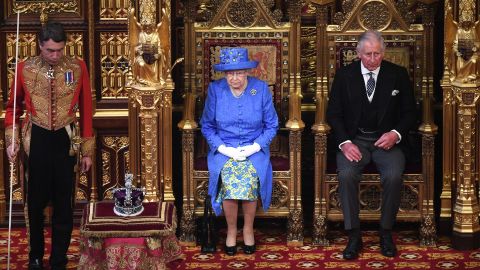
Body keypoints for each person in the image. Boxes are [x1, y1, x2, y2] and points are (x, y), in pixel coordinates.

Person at [4, 22, 94, 270]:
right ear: (40, 46)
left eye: (59, 50)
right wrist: (11, 142)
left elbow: (86, 108)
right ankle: (35, 256)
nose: (55, 56)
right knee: (35, 203)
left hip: (65, 139)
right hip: (37, 140)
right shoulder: (25, 69)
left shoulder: (77, 67)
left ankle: (58, 260)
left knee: (64, 204)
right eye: (50, 51)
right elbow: (13, 108)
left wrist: (86, 151)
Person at [326, 30, 416, 260]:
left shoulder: (398, 74)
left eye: (377, 54)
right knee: (346, 174)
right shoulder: (344, 76)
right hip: (355, 140)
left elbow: (409, 113)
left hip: (386, 142)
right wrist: (345, 143)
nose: (373, 59)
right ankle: (353, 234)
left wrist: (395, 134)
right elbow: (334, 114)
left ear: (384, 53)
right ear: (358, 53)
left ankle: (386, 232)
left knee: (394, 174)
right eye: (368, 54)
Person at [200, 47, 278, 256]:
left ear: (247, 72)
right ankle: (232, 230)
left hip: (254, 149)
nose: (234, 78)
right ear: (224, 74)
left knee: (250, 176)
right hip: (224, 149)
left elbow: (272, 125)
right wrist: (224, 148)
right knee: (228, 177)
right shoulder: (216, 90)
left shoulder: (260, 89)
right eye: (229, 74)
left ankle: (248, 228)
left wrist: (255, 146)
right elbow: (207, 126)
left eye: (239, 73)